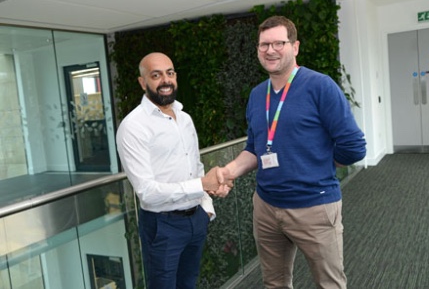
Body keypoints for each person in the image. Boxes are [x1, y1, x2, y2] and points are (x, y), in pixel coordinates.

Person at [214, 16, 366, 289]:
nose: (270, 50)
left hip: (314, 207)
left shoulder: (320, 86)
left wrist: (320, 164)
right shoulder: (257, 95)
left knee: (329, 284)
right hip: (266, 207)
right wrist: (228, 172)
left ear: (295, 47)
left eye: (278, 43)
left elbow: (354, 146)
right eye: (263, 45)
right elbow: (255, 148)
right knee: (274, 283)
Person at [116, 52, 230, 289]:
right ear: (142, 82)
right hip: (162, 226)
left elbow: (196, 167)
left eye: (170, 73)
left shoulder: (185, 119)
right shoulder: (133, 126)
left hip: (195, 219)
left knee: (188, 284)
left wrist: (206, 208)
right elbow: (146, 192)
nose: (165, 80)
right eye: (156, 75)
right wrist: (202, 185)